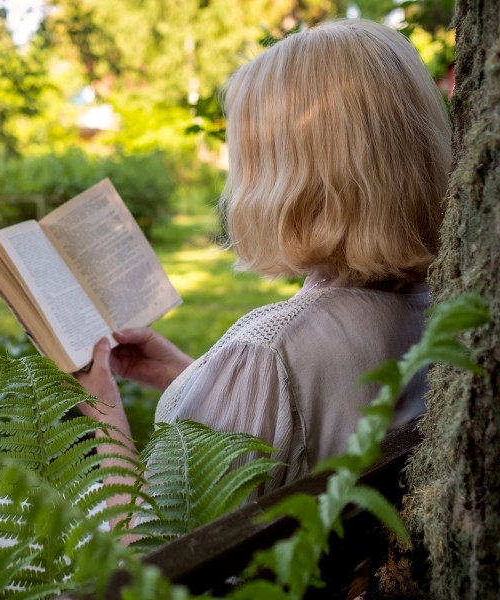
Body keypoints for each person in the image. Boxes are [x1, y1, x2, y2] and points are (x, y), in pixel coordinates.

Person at [75, 18, 452, 496]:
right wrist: (179, 373)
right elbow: (312, 410)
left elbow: (149, 553)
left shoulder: (270, 348)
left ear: (284, 176)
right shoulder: (446, 309)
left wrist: (102, 411)